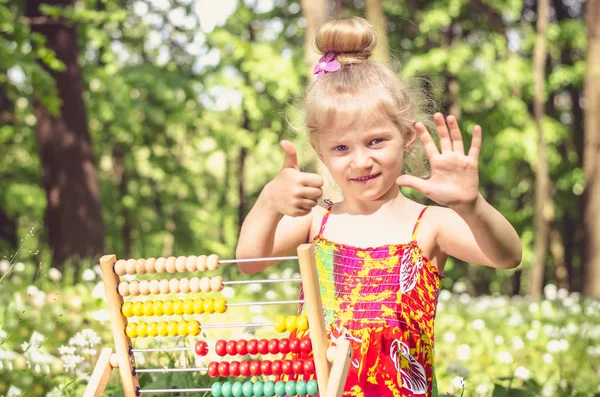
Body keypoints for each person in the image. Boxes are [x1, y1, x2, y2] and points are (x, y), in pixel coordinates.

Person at [236, 17, 522, 397]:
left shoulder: (429, 224)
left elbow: (507, 256)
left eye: (375, 141)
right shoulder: (316, 221)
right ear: (320, 151)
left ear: (405, 137)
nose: (360, 161)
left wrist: (473, 206)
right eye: (341, 148)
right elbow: (249, 260)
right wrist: (268, 203)